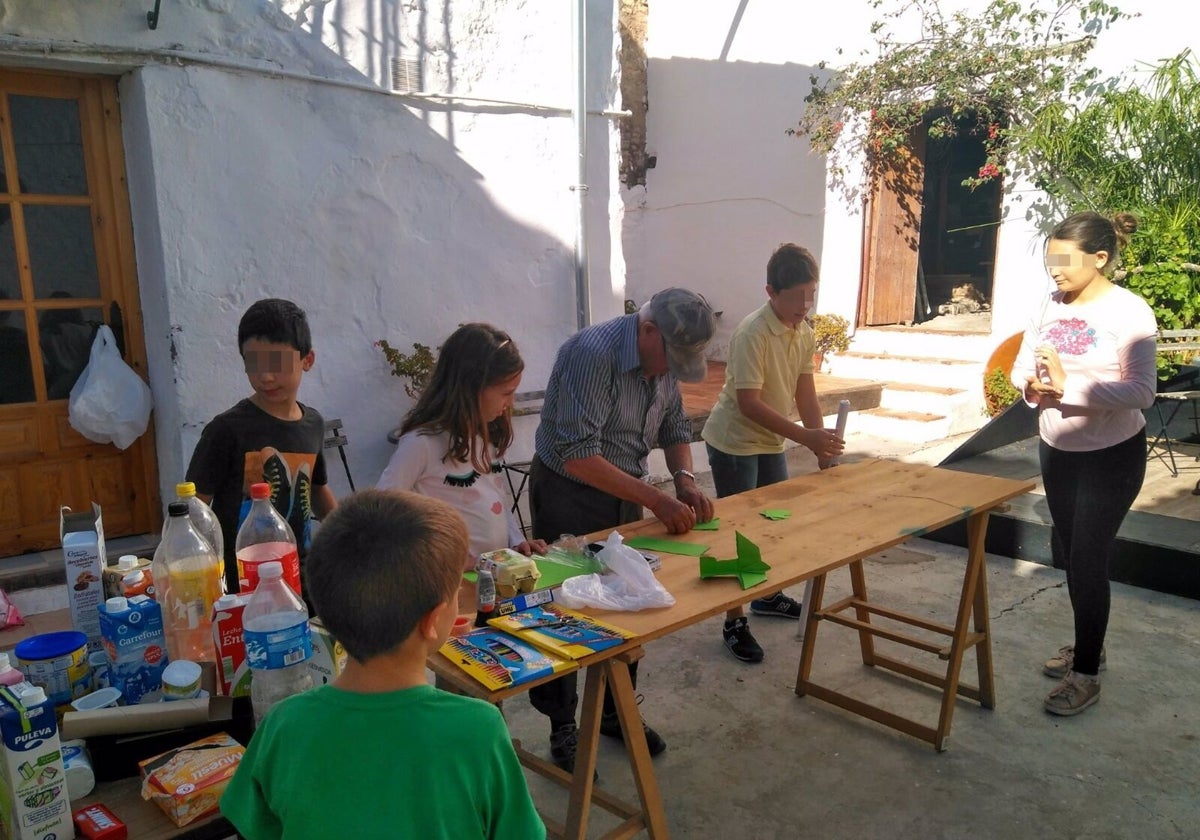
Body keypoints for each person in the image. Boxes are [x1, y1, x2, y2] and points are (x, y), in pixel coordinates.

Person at [220, 489, 546, 840]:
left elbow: (252, 829)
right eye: (456, 594)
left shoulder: (283, 725)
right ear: (434, 620)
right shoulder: (478, 730)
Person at [528, 287, 716, 771]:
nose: (669, 371)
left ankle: (615, 710)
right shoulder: (592, 355)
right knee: (566, 607)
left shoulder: (662, 361)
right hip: (571, 489)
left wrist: (685, 481)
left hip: (627, 491)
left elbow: (676, 426)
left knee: (628, 600)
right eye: (669, 359)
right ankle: (563, 724)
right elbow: (577, 454)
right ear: (647, 330)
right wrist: (655, 498)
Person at [1010, 211, 1157, 717]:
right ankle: (1088, 642)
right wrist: (1033, 387)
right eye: (1050, 259)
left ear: (1099, 258)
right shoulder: (1046, 306)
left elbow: (1143, 391)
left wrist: (1068, 387)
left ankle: (1087, 673)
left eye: (1064, 260)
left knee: (1090, 560)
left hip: (1111, 457)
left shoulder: (1129, 312)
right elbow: (1020, 369)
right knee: (1070, 555)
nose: (1054, 270)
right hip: (1059, 451)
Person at [701, 243, 845, 663]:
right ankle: (734, 620)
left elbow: (805, 390)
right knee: (739, 532)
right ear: (770, 291)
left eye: (810, 294)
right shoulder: (752, 333)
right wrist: (807, 438)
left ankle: (767, 596)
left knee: (772, 525)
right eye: (796, 296)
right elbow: (749, 404)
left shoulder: (804, 330)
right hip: (734, 442)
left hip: (769, 441)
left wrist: (821, 440)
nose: (804, 305)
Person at [186, 298, 337, 594]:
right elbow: (194, 509)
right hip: (243, 583)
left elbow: (317, 490)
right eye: (253, 364)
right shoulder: (226, 430)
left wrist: (350, 536)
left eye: (277, 363)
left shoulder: (313, 424)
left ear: (307, 360)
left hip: (299, 577)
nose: (265, 376)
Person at [377, 323, 546, 566]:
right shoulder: (421, 443)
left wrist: (516, 540)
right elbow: (381, 509)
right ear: (472, 387)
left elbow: (495, 500)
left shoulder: (486, 435)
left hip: (495, 575)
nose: (511, 403)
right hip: (450, 584)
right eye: (506, 393)